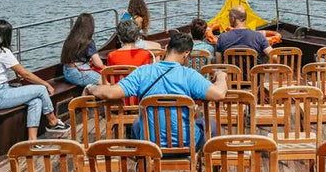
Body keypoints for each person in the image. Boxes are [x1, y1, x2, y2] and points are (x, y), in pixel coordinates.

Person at [86, 32, 227, 149]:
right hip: (186, 144)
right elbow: (219, 94)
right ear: (186, 54)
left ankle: (144, 165)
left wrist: (92, 88)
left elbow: (111, 92)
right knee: (211, 123)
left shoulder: (142, 72)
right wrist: (221, 77)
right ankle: (214, 171)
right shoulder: (189, 75)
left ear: (166, 48)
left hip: (151, 146)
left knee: (136, 124)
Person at [0, 20, 69, 141]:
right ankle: (53, 122)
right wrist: (46, 84)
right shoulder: (3, 51)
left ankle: (32, 141)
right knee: (41, 89)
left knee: (35, 101)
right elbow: (25, 74)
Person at [60, 13, 105, 88]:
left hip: (67, 72)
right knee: (108, 81)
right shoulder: (88, 42)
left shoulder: (69, 39)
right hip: (78, 72)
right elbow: (99, 64)